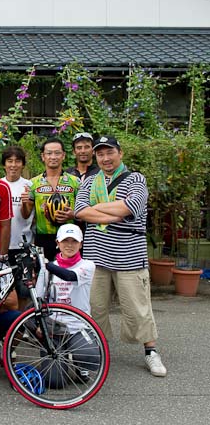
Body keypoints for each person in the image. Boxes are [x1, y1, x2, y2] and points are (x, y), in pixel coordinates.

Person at [74, 136, 166, 377]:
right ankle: (95, 351)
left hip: (130, 257)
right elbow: (80, 211)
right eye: (100, 154)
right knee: (95, 307)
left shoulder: (136, 179)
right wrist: (114, 213)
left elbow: (131, 206)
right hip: (95, 257)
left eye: (109, 152)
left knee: (138, 309)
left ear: (120, 153)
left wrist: (99, 209)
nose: (105, 158)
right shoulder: (90, 181)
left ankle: (151, 352)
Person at [33, 224, 100, 387]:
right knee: (55, 383)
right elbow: (39, 298)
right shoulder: (47, 269)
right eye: (65, 241)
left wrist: (45, 264)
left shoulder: (87, 266)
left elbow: (69, 276)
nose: (69, 245)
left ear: (81, 244)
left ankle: (79, 364)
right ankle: (59, 359)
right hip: (55, 327)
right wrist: (40, 325)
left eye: (74, 241)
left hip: (78, 326)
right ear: (57, 243)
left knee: (91, 358)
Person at [21, 138, 80, 262]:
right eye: (49, 153)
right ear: (43, 156)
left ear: (63, 155)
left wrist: (72, 214)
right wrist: (24, 202)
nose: (53, 157)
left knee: (68, 275)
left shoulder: (75, 182)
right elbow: (26, 215)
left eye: (57, 153)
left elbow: (84, 210)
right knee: (43, 276)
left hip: (69, 237)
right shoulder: (33, 183)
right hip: (43, 238)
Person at [0, 146, 34, 305]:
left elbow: (27, 215)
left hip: (23, 245)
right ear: (4, 164)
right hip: (1, 247)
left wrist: (26, 203)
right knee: (3, 292)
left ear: (23, 164)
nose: (13, 165)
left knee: (23, 291)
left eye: (17, 161)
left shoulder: (29, 185)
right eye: (9, 161)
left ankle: (19, 328)